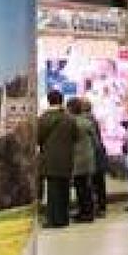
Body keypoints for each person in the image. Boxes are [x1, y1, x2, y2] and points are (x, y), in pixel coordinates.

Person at [38, 90, 78, 228]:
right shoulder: (70, 118)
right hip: (67, 158)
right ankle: (63, 218)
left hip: (50, 159)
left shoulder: (44, 118)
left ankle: (53, 219)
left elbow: (38, 137)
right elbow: (76, 136)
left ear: (49, 101)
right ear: (61, 100)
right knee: (64, 189)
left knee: (53, 191)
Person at [68, 97, 96, 223]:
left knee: (81, 187)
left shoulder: (71, 123)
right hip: (88, 157)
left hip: (77, 158)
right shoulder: (87, 122)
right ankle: (88, 211)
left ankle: (85, 213)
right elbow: (95, 141)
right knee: (86, 187)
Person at [82, 98, 109, 217]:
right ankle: (101, 206)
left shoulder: (87, 120)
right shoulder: (93, 119)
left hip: (93, 155)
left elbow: (94, 141)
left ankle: (97, 207)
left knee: (94, 182)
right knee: (99, 182)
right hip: (98, 154)